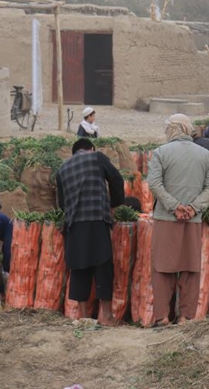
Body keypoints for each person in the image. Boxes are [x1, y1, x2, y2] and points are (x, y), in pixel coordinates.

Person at [148, 114, 209, 326]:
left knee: (162, 269)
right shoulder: (205, 155)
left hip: (166, 218)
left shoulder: (161, 152)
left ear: (172, 129)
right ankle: (186, 318)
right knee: (190, 268)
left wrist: (173, 206)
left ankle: (162, 317)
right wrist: (193, 208)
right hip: (193, 220)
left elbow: (154, 184)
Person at [56, 138, 125, 325]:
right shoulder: (96, 157)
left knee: (79, 268)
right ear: (91, 148)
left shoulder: (62, 169)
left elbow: (61, 203)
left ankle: (84, 316)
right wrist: (114, 204)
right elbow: (117, 179)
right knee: (103, 266)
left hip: (74, 224)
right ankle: (107, 316)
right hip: (96, 219)